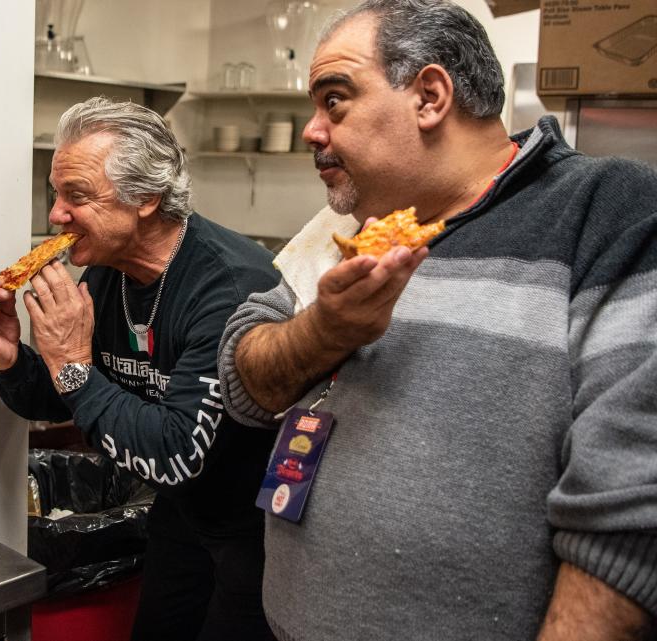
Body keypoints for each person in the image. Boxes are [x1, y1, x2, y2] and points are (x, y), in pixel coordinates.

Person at [217, 1, 657, 639]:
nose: (312, 130)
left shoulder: (607, 212)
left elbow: (631, 505)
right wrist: (326, 331)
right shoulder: (353, 223)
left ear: (429, 96)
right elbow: (244, 382)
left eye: (334, 100)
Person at [0, 97, 279, 641]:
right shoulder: (108, 272)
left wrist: (70, 364)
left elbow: (176, 453)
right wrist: (12, 358)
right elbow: (64, 395)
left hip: (256, 536)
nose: (56, 215)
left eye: (77, 195)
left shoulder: (228, 288)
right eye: (56, 193)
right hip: (180, 518)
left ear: (147, 198)